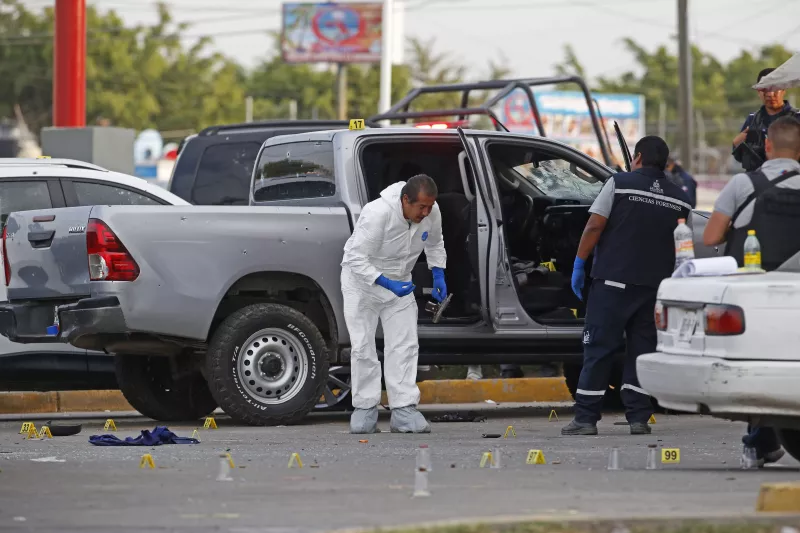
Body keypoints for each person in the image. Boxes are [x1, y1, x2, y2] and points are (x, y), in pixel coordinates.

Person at [562, 136, 691, 436]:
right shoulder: (680, 197)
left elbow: (594, 224)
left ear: (638, 157)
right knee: (641, 351)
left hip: (613, 283)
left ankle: (585, 419)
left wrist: (580, 263)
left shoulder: (618, 183)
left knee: (599, 348)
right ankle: (638, 418)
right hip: (654, 288)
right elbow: (682, 244)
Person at [703, 115, 800, 467]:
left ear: (768, 147)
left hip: (756, 294)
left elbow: (711, 237)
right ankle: (765, 440)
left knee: (758, 364)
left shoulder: (744, 183)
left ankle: (760, 442)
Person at [340, 174, 447, 434]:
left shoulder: (431, 212)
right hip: (362, 284)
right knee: (363, 347)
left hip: (400, 284)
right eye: (420, 207)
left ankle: (404, 410)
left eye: (429, 207)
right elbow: (355, 257)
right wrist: (385, 283)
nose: (426, 212)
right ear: (405, 200)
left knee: (404, 345)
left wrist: (438, 273)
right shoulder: (377, 213)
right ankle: (365, 409)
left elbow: (435, 242)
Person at [732, 68, 800, 172]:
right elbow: (741, 158)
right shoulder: (752, 119)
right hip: (759, 182)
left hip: (790, 180)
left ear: (784, 89)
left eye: (775, 88)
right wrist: (736, 145)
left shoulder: (796, 119)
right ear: (758, 91)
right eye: (764, 89)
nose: (770, 94)